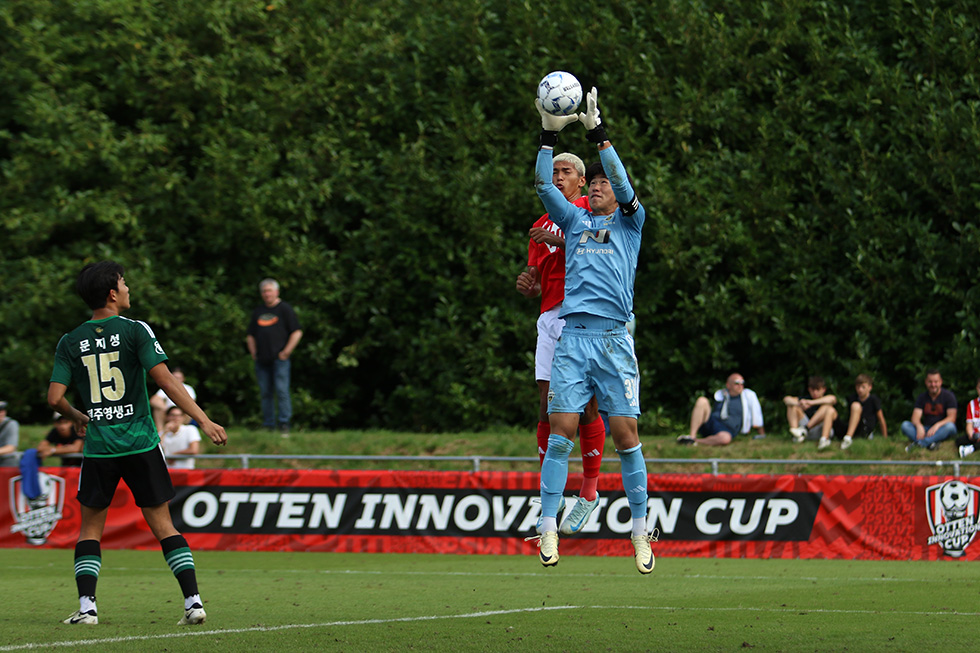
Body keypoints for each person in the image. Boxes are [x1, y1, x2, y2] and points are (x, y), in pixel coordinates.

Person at [48, 261, 228, 626]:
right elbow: (165, 381)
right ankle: (193, 602)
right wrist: (203, 419)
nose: (129, 288)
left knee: (90, 530)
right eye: (124, 282)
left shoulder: (70, 341)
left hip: (100, 447)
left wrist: (79, 416)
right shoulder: (135, 331)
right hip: (142, 443)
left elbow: (54, 399)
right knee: (163, 524)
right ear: (113, 294)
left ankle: (87, 608)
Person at [525, 87, 655, 574]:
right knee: (561, 433)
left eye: (602, 182)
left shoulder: (630, 221)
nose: (598, 185)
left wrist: (599, 135)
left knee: (626, 436)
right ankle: (548, 523)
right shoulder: (574, 219)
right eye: (593, 182)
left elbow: (623, 181)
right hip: (574, 339)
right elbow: (542, 187)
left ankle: (641, 533)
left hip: (615, 340)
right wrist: (547, 135)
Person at [515, 151, 606, 535]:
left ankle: (589, 490)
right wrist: (528, 283)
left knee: (583, 407)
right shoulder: (539, 223)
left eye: (565, 172)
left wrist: (559, 237)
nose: (557, 177)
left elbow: (602, 250)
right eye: (552, 172)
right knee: (545, 407)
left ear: (581, 181)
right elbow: (538, 276)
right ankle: (548, 496)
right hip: (550, 316)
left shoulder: (590, 208)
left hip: (583, 315)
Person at [246, 278, 302, 437]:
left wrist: (286, 351)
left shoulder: (285, 309)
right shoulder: (258, 311)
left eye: (269, 290)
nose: (267, 294)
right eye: (264, 291)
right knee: (265, 393)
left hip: (280, 360)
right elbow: (250, 334)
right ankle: (268, 425)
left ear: (276, 292)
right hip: (262, 360)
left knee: (282, 390)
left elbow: (297, 331)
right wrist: (253, 352)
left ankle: (284, 424)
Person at [677, 373, 766, 446]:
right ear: (728, 385)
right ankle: (692, 436)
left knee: (725, 439)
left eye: (742, 383)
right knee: (702, 400)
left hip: (727, 430)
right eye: (737, 383)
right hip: (712, 422)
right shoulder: (721, 394)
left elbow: (756, 414)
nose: (740, 386)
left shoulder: (748, 396)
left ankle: (695, 441)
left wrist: (761, 434)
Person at [901, 368, 957, 452]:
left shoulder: (949, 396)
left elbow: (952, 418)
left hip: (942, 429)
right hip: (926, 430)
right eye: (930, 382)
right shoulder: (922, 397)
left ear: (941, 382)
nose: (933, 385)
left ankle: (921, 443)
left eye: (936, 382)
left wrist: (937, 425)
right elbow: (915, 418)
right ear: (926, 382)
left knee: (950, 427)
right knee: (905, 425)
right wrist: (919, 426)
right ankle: (931, 443)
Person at [783, 376, 838, 450]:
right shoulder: (805, 399)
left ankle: (824, 439)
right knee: (792, 406)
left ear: (823, 389)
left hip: (822, 430)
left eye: (818, 389)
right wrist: (800, 404)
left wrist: (811, 403)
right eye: (812, 390)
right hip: (808, 432)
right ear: (809, 389)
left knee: (828, 408)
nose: (815, 392)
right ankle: (797, 436)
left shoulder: (825, 400)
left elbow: (833, 399)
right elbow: (786, 399)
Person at [840, 373, 888, 450]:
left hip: (865, 428)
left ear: (870, 387)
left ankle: (848, 438)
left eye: (863, 387)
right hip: (855, 427)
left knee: (856, 406)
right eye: (858, 387)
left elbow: (881, 419)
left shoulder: (873, 400)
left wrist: (885, 438)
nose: (860, 390)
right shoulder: (852, 398)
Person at [149, 366, 196, 432]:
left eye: (178, 378)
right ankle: (160, 432)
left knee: (190, 409)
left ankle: (180, 428)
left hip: (182, 413)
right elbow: (153, 400)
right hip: (169, 412)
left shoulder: (188, 389)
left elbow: (192, 404)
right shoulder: (166, 387)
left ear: (183, 379)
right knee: (158, 409)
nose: (176, 380)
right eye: (174, 378)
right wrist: (164, 408)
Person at [955, 377, 980, 458]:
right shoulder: (972, 404)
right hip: (975, 435)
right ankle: (973, 445)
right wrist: (971, 435)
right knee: (959, 441)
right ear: (977, 388)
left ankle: (971, 449)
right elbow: (969, 424)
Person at [0, 400, 19, 467]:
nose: (1, 413)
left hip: (6, 460)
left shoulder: (11, 424)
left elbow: (10, 448)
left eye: (3, 411)